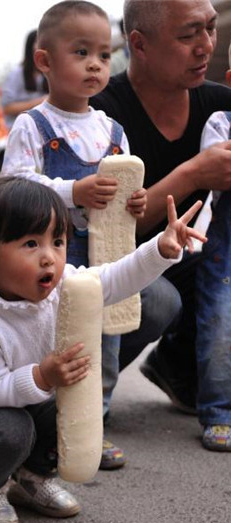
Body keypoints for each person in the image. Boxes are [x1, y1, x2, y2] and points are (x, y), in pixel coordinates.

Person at [0, 176, 205, 523]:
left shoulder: (63, 287)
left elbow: (112, 278)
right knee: (13, 430)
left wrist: (160, 250)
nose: (49, 258)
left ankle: (31, 479)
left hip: (25, 406)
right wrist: (42, 376)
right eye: (31, 244)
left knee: (72, 410)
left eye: (57, 242)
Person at [2, 0, 147, 470]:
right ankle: (43, 436)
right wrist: (72, 190)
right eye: (81, 52)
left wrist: (134, 202)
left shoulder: (113, 130)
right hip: (47, 261)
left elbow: (125, 191)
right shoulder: (33, 125)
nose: (95, 65)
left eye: (105, 55)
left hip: (101, 257)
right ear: (44, 61)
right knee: (47, 347)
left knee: (100, 345)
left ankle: (90, 426)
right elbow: (16, 186)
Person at [90, 0, 231, 422]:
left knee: (221, 272)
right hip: (109, 265)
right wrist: (193, 173)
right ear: (140, 44)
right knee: (157, 300)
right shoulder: (99, 113)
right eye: (188, 35)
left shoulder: (221, 107)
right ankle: (78, 395)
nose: (205, 46)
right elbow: (109, 226)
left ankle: (178, 364)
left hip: (183, 256)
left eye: (210, 29)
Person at [192, 41, 231, 451]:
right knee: (220, 325)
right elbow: (215, 171)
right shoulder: (222, 123)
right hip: (225, 244)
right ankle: (219, 409)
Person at [0, 29, 47, 129]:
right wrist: (39, 102)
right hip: (22, 130)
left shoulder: (50, 70)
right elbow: (7, 108)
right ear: (30, 47)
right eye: (38, 42)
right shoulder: (16, 74)